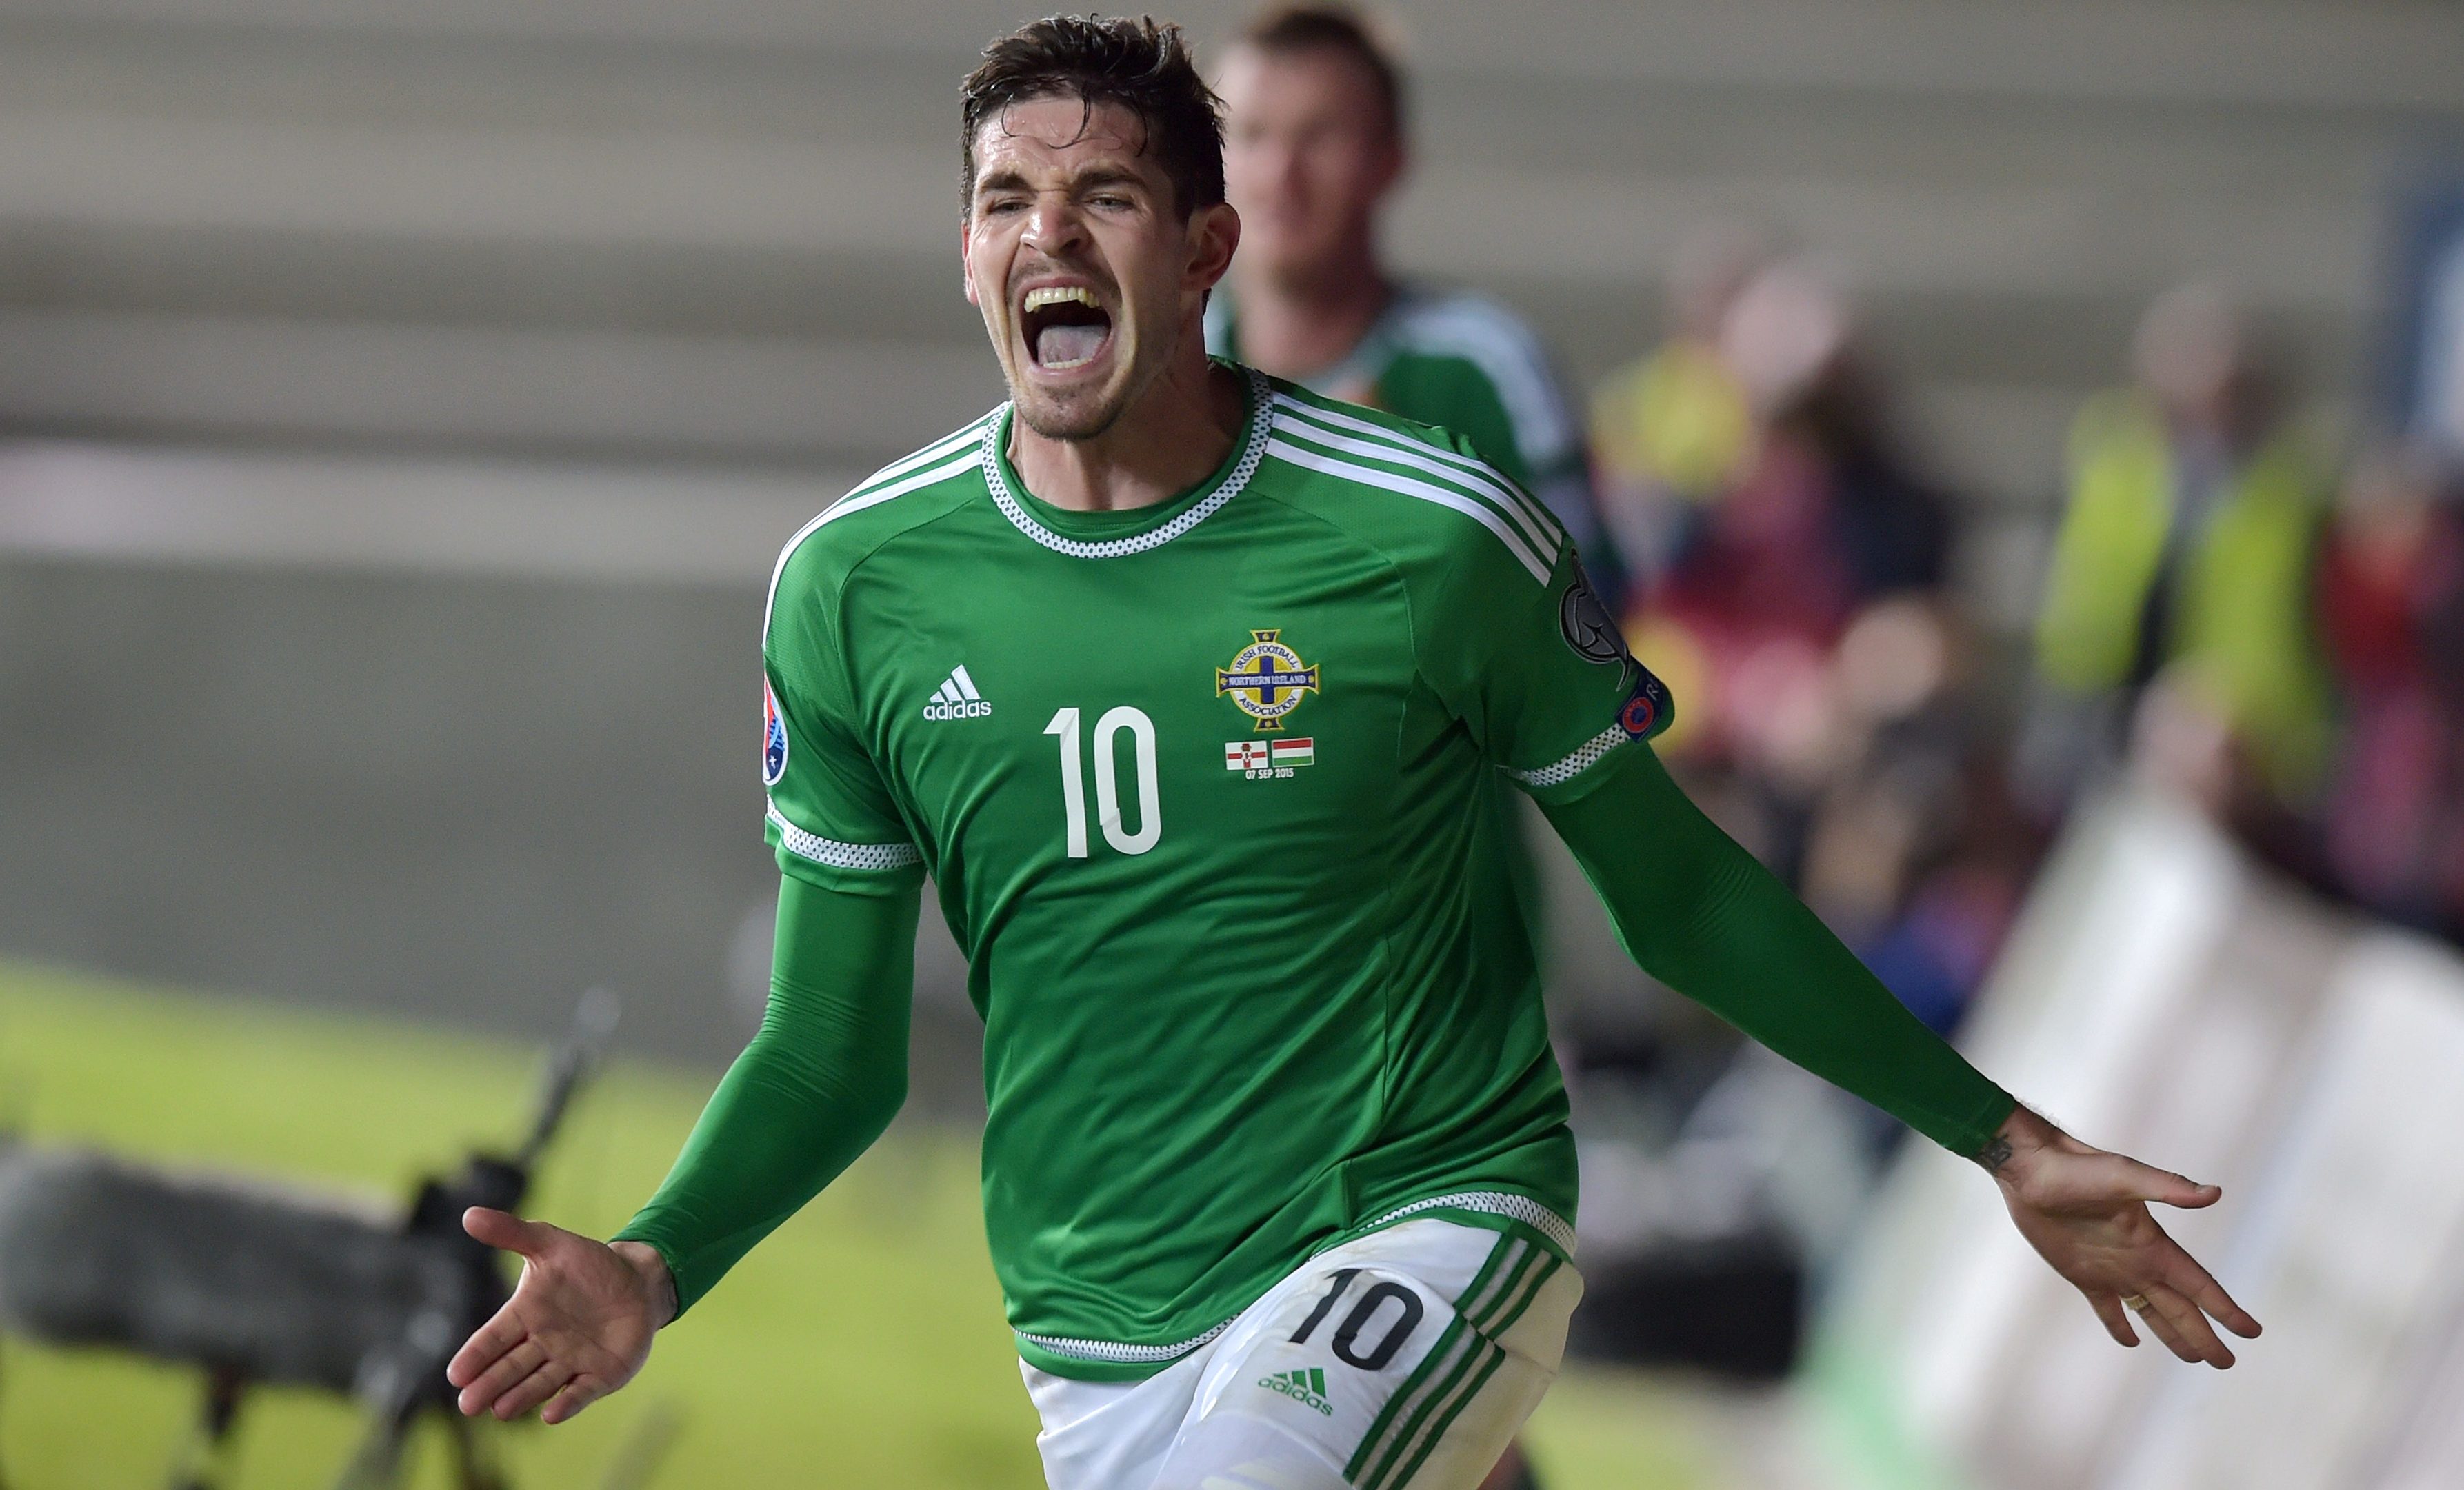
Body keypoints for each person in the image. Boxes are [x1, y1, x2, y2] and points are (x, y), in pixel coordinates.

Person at [445, 19, 2261, 1490]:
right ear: (966, 253)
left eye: (1103, 199)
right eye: (1004, 200)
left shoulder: (1428, 527)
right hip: (1095, 1332)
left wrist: (2002, 1140)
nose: (1046, 238)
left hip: (1427, 1210)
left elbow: (1679, 897)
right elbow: (832, 1053)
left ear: (1208, 250)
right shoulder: (853, 588)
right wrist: (656, 1264)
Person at [1205, 4, 1621, 605]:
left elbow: (1593, 610)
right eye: (1249, 135)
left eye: (1320, 137)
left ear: (1391, 159)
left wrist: (1412, 505)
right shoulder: (1169, 364)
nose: (1279, 175)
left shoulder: (1488, 366)